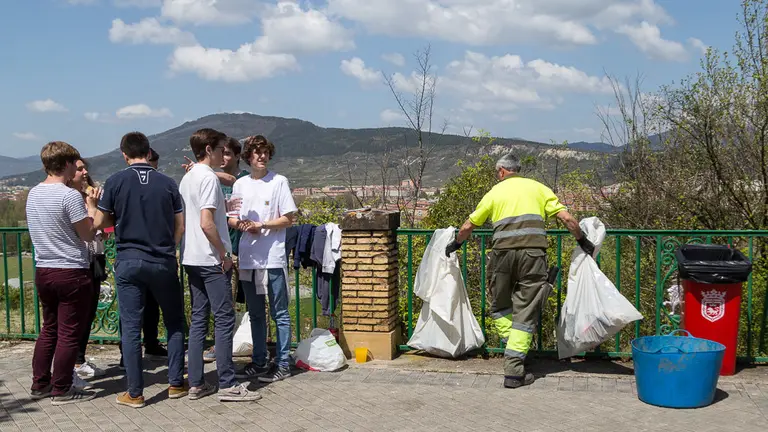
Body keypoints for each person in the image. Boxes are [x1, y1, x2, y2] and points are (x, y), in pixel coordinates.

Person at [444, 152, 595, 389]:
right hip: (533, 257)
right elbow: (567, 219)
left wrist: (456, 244)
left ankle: (513, 366)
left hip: (502, 257)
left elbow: (468, 225)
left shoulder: (495, 192)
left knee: (500, 306)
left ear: (502, 171)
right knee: (526, 310)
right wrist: (582, 240)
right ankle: (516, 356)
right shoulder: (538, 188)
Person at [93, 132, 187, 408]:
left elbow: (99, 221)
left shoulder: (115, 182)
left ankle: (135, 392)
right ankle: (176, 384)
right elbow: (179, 224)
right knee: (173, 322)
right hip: (163, 260)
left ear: (124, 154)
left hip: (129, 261)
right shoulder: (168, 183)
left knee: (131, 328)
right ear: (148, 152)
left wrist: (99, 207)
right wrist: (171, 248)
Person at [179, 128, 259, 402]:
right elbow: (206, 222)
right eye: (221, 149)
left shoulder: (187, 178)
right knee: (224, 319)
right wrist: (225, 253)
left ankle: (197, 383)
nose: (223, 154)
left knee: (199, 319)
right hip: (211, 260)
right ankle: (227, 383)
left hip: (191, 257)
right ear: (210, 149)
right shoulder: (209, 180)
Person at [26, 141, 99, 405]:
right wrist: (91, 209)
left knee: (49, 329)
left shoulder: (33, 193)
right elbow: (87, 234)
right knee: (69, 332)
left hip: (44, 268)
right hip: (70, 270)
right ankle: (62, 387)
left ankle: (40, 383)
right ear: (67, 164)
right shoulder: (68, 196)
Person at [230, 135, 297, 383]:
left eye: (265, 152)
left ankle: (282, 363)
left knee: (280, 312)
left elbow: (289, 218)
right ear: (248, 157)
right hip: (249, 259)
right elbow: (231, 218)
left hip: (273, 257)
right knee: (255, 313)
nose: (262, 156)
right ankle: (258, 361)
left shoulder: (279, 182)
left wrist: (262, 224)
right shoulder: (240, 185)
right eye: (257, 152)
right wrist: (242, 225)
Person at [114, 145, 167, 368]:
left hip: (134, 256)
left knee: (147, 307)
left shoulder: (119, 182)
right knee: (132, 311)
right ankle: (127, 355)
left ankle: (149, 344)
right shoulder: (161, 184)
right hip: (151, 255)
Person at [202, 137, 250, 363]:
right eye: (222, 153)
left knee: (255, 301)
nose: (224, 158)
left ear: (238, 156)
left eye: (228, 154)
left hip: (248, 248)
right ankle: (222, 345)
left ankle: (255, 344)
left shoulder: (245, 180)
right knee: (224, 302)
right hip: (225, 250)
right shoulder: (213, 183)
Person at [69, 158, 107, 381]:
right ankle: (74, 362)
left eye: (85, 168)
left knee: (90, 310)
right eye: (80, 168)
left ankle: (79, 359)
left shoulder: (90, 197)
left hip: (97, 256)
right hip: (81, 258)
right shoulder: (71, 199)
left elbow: (102, 225)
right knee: (79, 313)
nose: (85, 172)